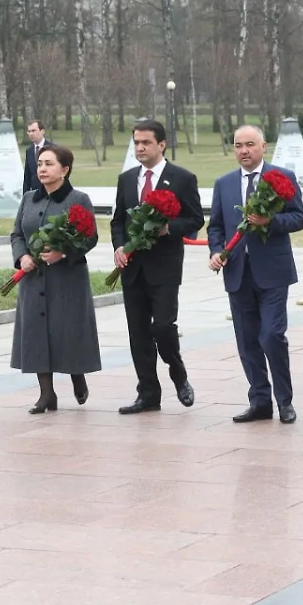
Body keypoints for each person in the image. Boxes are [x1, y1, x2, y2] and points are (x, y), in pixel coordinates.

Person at [208, 125, 303, 424]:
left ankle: (284, 401)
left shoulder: (281, 178)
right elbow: (215, 225)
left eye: (250, 144)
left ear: (263, 146)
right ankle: (260, 400)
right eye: (238, 145)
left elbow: (298, 217)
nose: (244, 151)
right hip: (238, 273)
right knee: (247, 339)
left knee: (272, 335)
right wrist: (216, 250)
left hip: (273, 272)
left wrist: (269, 221)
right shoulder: (224, 184)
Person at [111, 120, 204, 414]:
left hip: (164, 267)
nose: (140, 148)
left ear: (161, 144)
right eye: (136, 142)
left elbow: (195, 220)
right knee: (138, 334)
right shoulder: (127, 179)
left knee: (162, 328)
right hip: (133, 268)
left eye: (146, 142)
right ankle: (148, 393)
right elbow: (118, 221)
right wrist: (118, 246)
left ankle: (178, 373)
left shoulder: (182, 178)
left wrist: (168, 228)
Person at [10, 146, 102, 414]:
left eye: (49, 164)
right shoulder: (29, 199)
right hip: (34, 278)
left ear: (65, 169)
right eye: (39, 164)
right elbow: (17, 234)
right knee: (37, 333)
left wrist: (64, 253)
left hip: (67, 278)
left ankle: (77, 375)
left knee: (68, 330)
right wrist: (22, 257)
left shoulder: (78, 199)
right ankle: (46, 393)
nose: (42, 169)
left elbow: (90, 236)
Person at [22, 120, 54, 194]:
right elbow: (27, 175)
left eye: (33, 131)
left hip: (50, 191)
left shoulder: (53, 148)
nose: (31, 134)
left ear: (42, 131)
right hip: (35, 192)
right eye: (29, 131)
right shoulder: (29, 151)